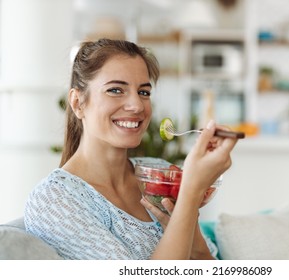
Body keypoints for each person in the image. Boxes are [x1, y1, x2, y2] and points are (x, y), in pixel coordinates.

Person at [24, 38, 238, 260]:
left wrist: (188, 220)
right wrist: (191, 192)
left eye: (144, 92)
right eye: (115, 90)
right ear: (78, 102)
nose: (137, 106)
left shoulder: (161, 175)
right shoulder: (54, 200)